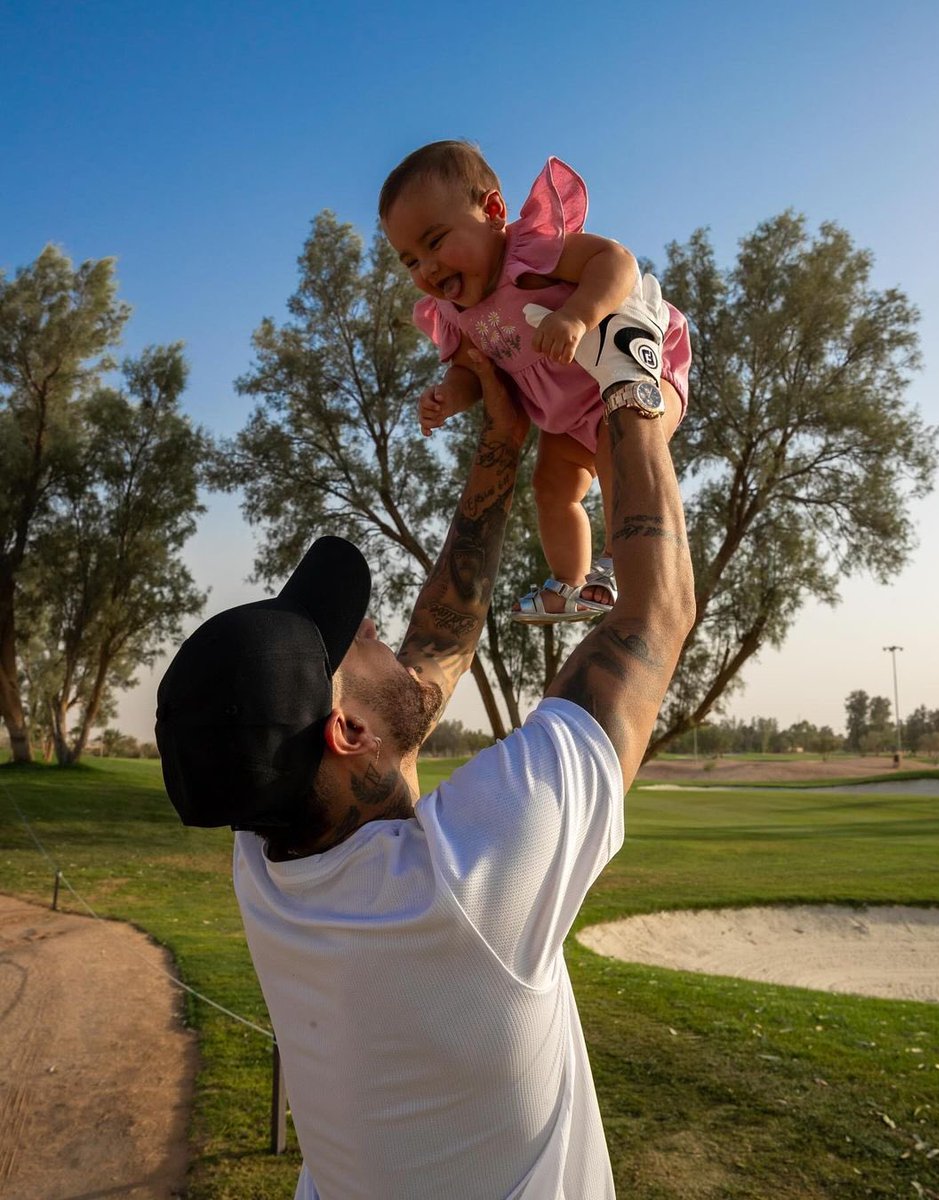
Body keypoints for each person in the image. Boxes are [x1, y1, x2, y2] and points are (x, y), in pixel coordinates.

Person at [155, 277, 695, 1200]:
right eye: (352, 640)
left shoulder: (267, 854)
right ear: (346, 732)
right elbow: (654, 613)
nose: (377, 633)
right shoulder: (470, 883)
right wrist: (633, 377)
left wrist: (502, 442)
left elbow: (431, 657)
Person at [378, 139, 692, 623]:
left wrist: (575, 316)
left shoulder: (532, 254)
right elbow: (469, 370)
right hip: (564, 419)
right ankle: (572, 584)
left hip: (637, 373)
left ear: (494, 211)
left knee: (620, 446)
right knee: (551, 488)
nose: (428, 268)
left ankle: (619, 559)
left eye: (436, 241)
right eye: (411, 261)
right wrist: (448, 397)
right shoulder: (456, 313)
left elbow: (616, 261)